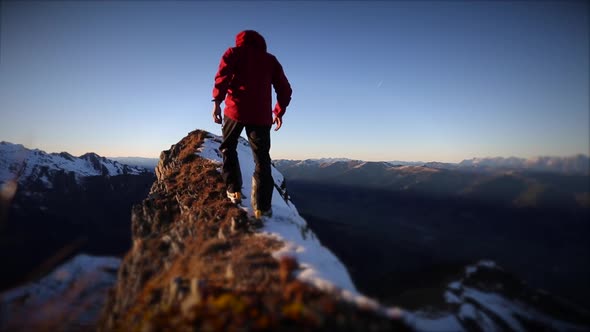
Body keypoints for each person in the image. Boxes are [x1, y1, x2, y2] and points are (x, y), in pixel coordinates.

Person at [212, 30, 292, 219]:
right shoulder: (270, 60)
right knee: (262, 159)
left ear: (240, 41)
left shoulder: (233, 53)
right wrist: (278, 112)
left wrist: (216, 102)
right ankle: (262, 207)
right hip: (261, 117)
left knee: (228, 148)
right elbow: (285, 89)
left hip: (235, 111)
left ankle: (234, 191)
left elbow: (222, 78)